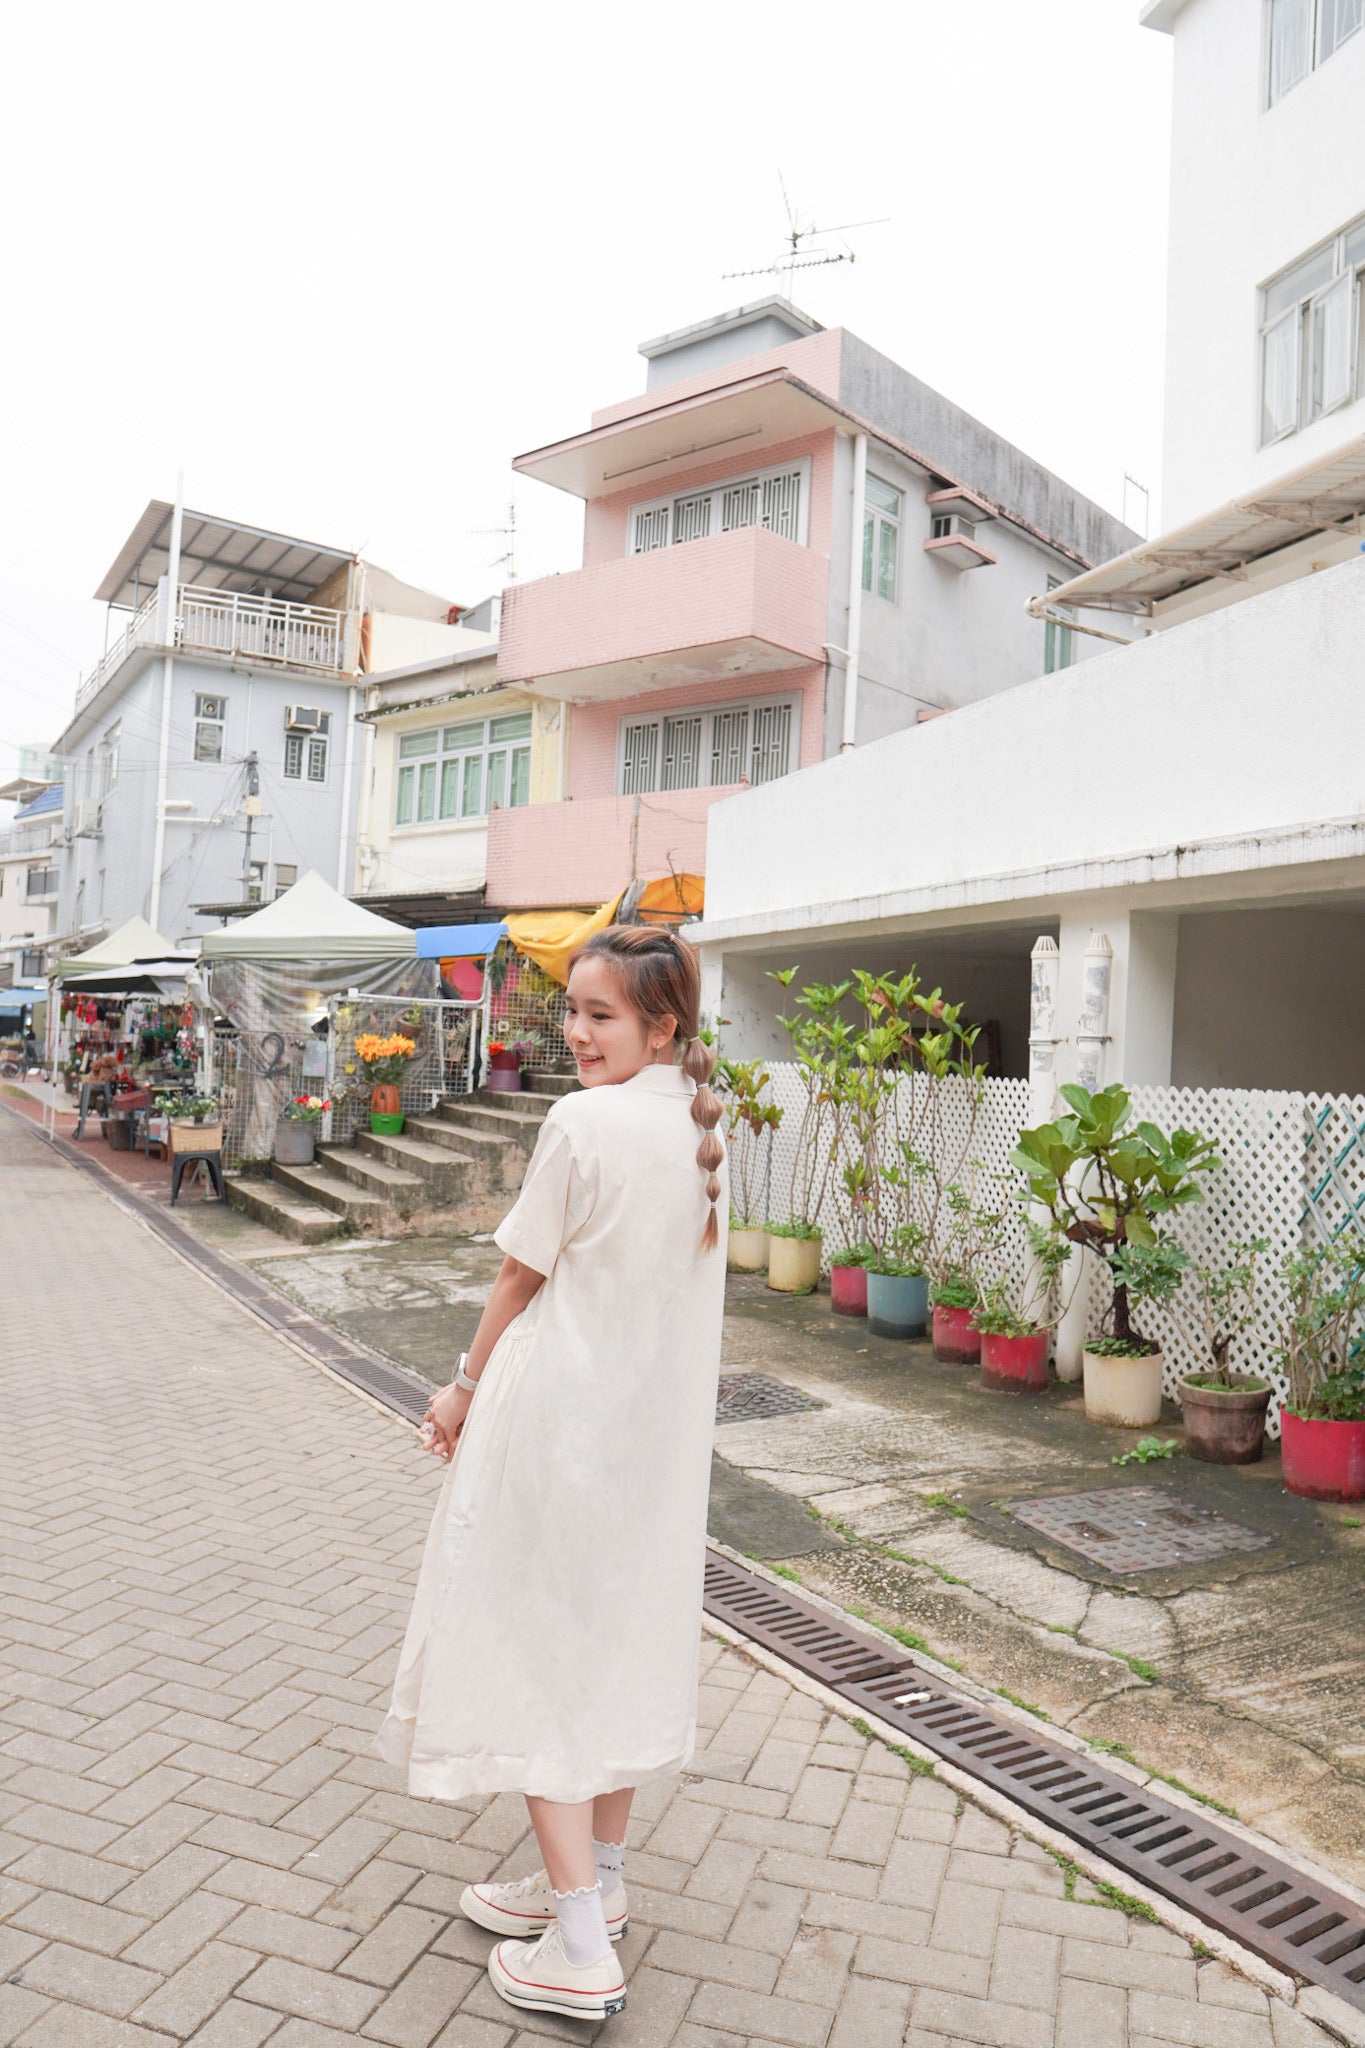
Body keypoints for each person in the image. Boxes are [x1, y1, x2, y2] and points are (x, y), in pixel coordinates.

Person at [375, 925, 727, 2023]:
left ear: (660, 1024)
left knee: (536, 1659)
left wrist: (459, 1386)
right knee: (609, 1654)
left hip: (561, 1434)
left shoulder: (581, 1122)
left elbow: (519, 1277)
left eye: (601, 1014)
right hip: (651, 1451)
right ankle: (598, 1890)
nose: (575, 1032)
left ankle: (579, 1944)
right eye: (571, 1010)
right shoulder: (714, 1125)